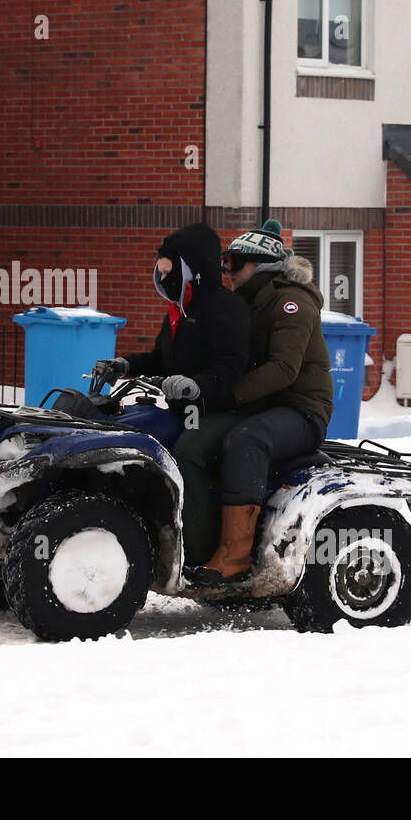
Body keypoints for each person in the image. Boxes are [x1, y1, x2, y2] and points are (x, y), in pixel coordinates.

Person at [186, 220, 334, 585]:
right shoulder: (248, 302)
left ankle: (234, 558)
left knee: (246, 439)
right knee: (198, 435)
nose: (227, 272)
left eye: (234, 263)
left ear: (259, 266)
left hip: (301, 409)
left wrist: (228, 394)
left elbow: (283, 369)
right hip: (264, 404)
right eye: (225, 262)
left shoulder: (291, 303)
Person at [92, 223, 250, 562]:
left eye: (169, 270)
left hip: (222, 411)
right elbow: (161, 358)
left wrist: (197, 385)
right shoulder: (180, 312)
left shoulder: (225, 308)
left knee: (188, 452)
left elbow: (233, 366)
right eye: (160, 271)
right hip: (185, 408)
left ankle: (195, 549)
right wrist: (123, 365)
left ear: (192, 270)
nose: (163, 278)